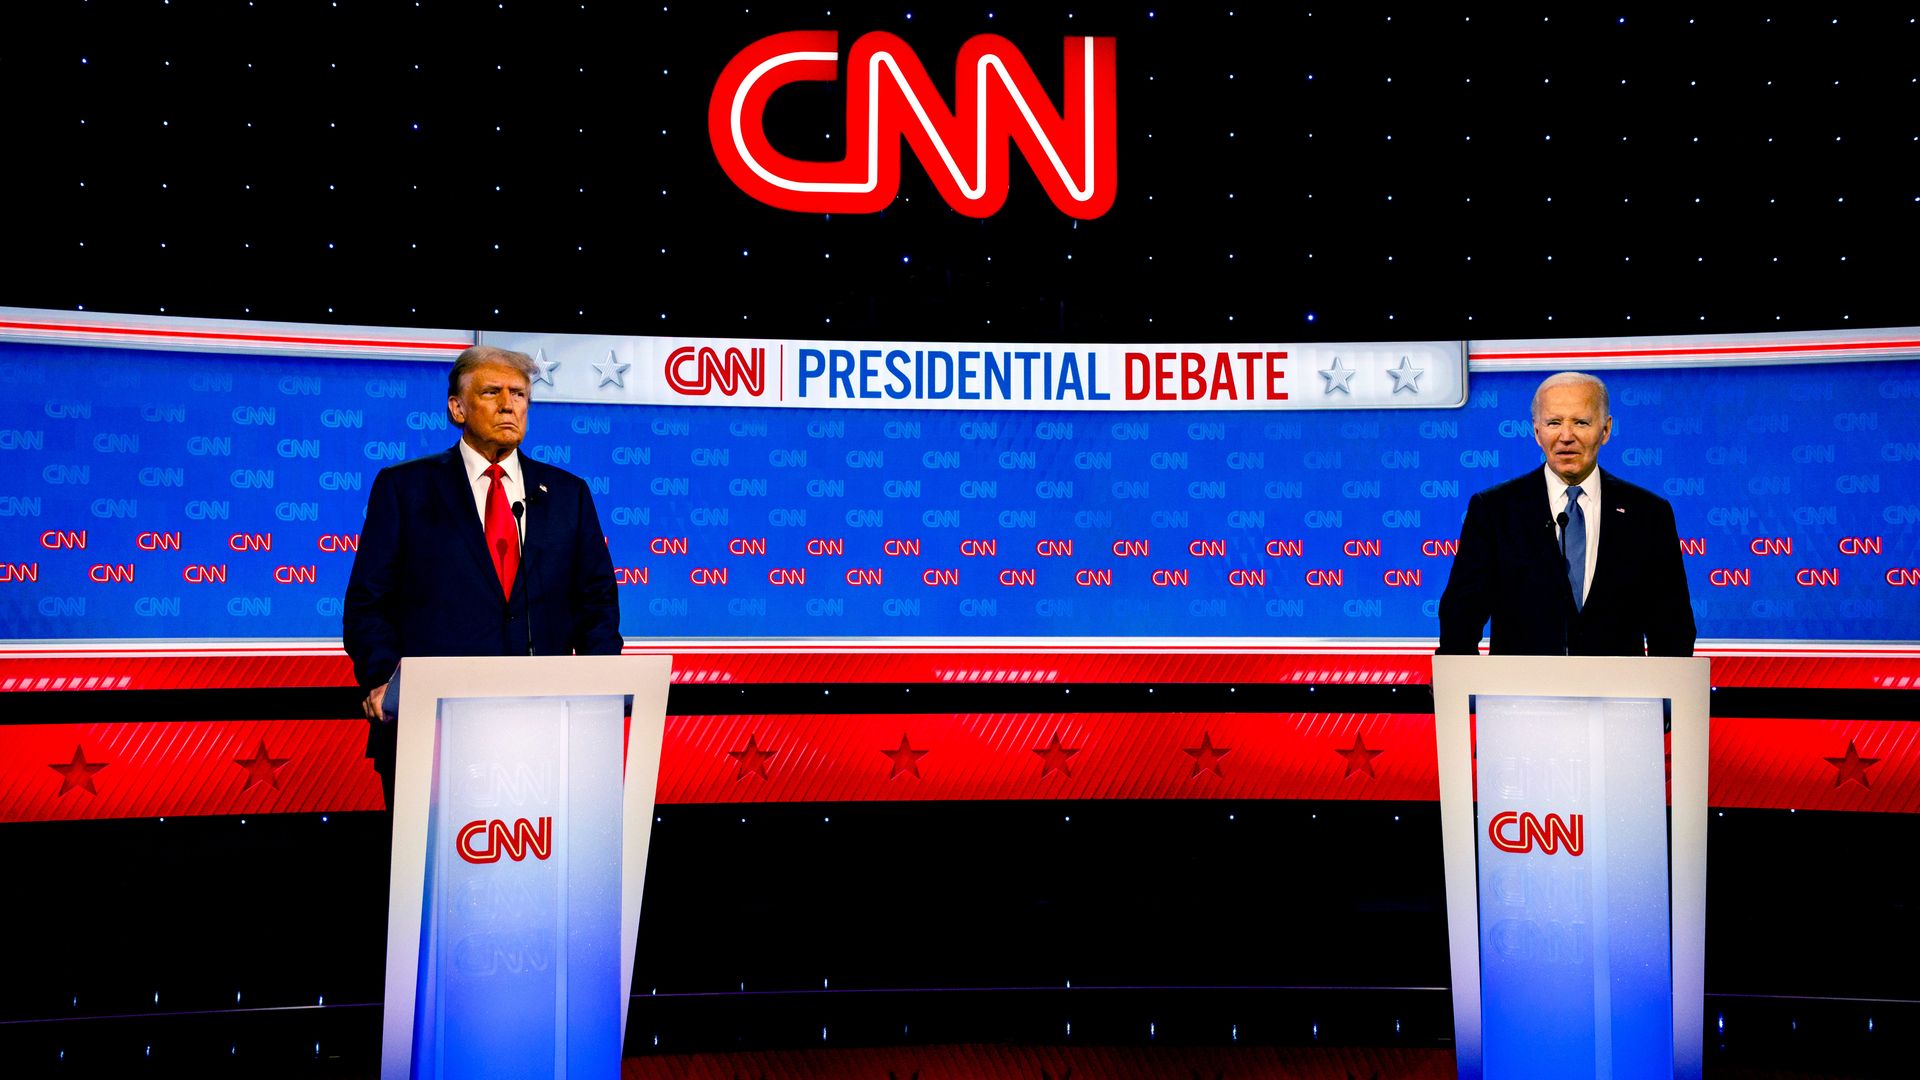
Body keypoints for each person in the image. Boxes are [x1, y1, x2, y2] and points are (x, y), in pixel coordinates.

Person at [344, 345, 622, 800]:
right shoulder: (404, 489)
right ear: (457, 408)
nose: (509, 404)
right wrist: (382, 680)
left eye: (520, 393)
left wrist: (601, 692)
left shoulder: (568, 494)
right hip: (432, 723)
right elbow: (368, 602)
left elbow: (597, 603)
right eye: (492, 391)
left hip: (545, 726)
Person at [1436, 371, 1695, 656]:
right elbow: (1460, 618)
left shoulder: (1649, 514)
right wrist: (1462, 684)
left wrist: (1666, 693)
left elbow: (1673, 627)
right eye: (1554, 423)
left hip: (1621, 696)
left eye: (1581, 422)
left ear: (1605, 430)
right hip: (1518, 695)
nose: (1566, 437)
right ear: (1537, 431)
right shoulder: (1495, 510)